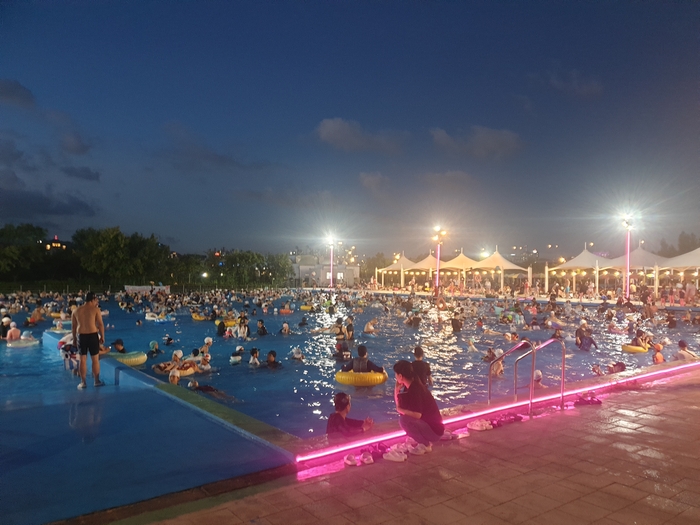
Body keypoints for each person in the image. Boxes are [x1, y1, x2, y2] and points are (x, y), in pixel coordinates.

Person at [393, 360, 444, 452]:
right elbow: (400, 408)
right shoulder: (411, 386)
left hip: (434, 432)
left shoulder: (415, 389)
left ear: (400, 376)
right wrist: (396, 391)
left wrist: (400, 409)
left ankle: (425, 445)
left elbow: (417, 415)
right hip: (432, 428)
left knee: (403, 420)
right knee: (404, 417)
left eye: (396, 374)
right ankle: (422, 440)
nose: (395, 377)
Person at [72, 292, 106, 389]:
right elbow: (100, 324)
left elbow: (74, 327)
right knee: (95, 360)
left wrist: (74, 339)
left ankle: (83, 383)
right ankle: (96, 381)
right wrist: (102, 337)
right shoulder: (96, 310)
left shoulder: (76, 310)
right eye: (96, 300)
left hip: (81, 336)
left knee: (82, 360)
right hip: (92, 335)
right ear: (93, 300)